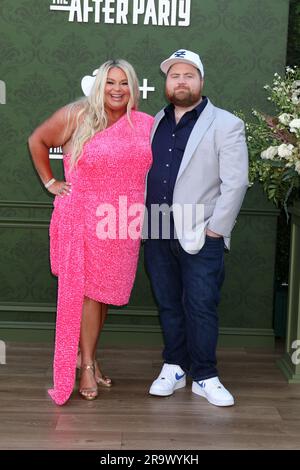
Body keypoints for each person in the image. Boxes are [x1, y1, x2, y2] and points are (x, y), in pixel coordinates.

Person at [28, 59, 154, 405]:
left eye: (124, 83)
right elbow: (37, 140)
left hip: (121, 222)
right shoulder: (78, 115)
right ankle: (85, 366)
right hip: (81, 216)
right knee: (88, 294)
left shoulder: (145, 124)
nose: (117, 89)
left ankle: (92, 355)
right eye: (111, 82)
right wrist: (51, 181)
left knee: (105, 293)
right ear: (100, 85)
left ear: (133, 88)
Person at [144, 49, 249, 407]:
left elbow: (236, 182)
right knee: (169, 304)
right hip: (157, 228)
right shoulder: (154, 121)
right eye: (175, 75)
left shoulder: (226, 123)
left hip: (202, 231)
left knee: (202, 305)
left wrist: (216, 230)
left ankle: (205, 375)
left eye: (189, 75)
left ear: (201, 81)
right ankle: (174, 367)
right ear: (166, 83)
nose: (181, 81)